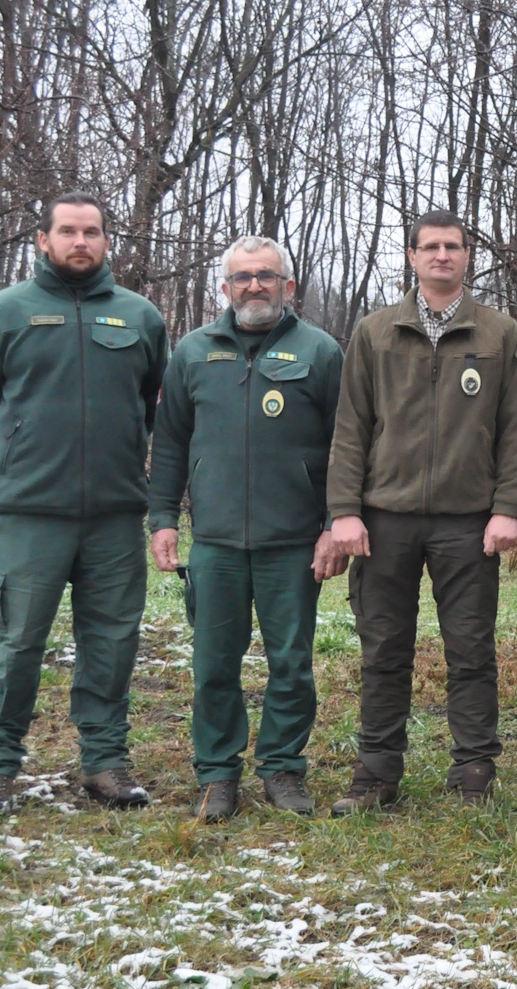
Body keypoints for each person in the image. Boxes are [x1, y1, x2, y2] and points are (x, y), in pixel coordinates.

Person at [0, 192, 169, 817]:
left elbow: (153, 402)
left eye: (93, 233)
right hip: (30, 511)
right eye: (69, 232)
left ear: (107, 242)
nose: (82, 242)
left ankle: (104, 764)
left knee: (111, 642)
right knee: (17, 642)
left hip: (113, 511)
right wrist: (23, 451)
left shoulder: (139, 317)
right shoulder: (4, 311)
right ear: (44, 241)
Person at [325, 210, 517, 813]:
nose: (442, 256)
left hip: (469, 521)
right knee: (383, 648)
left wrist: (507, 508)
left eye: (454, 246)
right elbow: (350, 429)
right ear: (411, 256)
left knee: (471, 648)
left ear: (469, 256)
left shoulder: (498, 333)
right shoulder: (375, 332)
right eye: (430, 247)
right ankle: (376, 774)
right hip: (383, 518)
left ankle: (473, 769)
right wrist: (344, 510)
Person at [148, 236, 346, 821]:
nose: (254, 286)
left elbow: (348, 446)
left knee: (291, 663)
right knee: (213, 665)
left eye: (266, 275)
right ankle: (217, 775)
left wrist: (335, 523)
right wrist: (162, 518)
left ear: (288, 286)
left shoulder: (322, 351)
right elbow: (171, 443)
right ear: (225, 288)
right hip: (215, 544)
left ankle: (283, 768)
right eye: (242, 277)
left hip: (293, 543)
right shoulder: (192, 352)